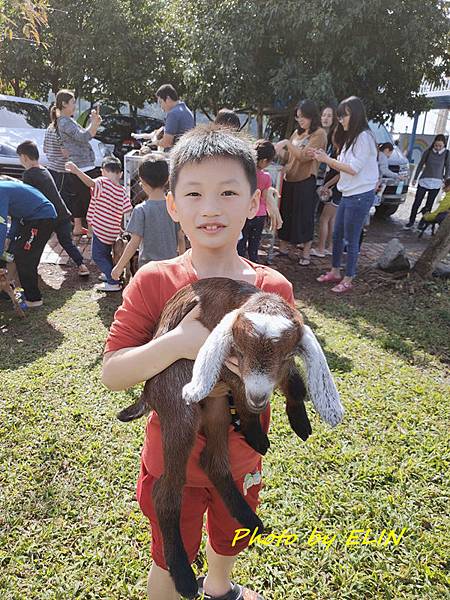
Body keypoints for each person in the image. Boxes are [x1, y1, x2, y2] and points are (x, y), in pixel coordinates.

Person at [102, 124, 295, 600]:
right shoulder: (154, 280)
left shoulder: (273, 289)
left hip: (242, 458)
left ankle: (220, 586)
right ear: (172, 206)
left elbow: (280, 369)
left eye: (229, 192)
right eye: (193, 193)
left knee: (231, 538)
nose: (211, 207)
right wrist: (179, 343)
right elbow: (112, 372)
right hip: (173, 468)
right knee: (170, 561)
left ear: (254, 202)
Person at [313, 96, 378, 293]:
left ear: (356, 114)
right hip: (348, 193)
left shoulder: (364, 137)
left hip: (360, 195)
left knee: (351, 238)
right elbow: (342, 168)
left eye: (344, 115)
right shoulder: (351, 138)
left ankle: (349, 278)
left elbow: (353, 169)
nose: (340, 119)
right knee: (337, 234)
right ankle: (335, 271)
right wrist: (327, 176)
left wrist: (327, 160)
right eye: (339, 116)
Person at [16, 140, 89, 277]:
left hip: (48, 216)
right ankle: (82, 265)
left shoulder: (29, 175)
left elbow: (29, 197)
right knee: (67, 242)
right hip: (62, 213)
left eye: (19, 157)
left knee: (37, 243)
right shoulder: (44, 170)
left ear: (24, 157)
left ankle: (31, 269)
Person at [65, 156, 132, 292]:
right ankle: (110, 274)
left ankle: (113, 281)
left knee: (98, 256)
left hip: (100, 229)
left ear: (103, 171)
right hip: (112, 230)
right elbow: (127, 209)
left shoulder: (102, 182)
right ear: (121, 174)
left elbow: (90, 183)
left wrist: (77, 171)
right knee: (106, 254)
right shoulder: (122, 190)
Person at [274, 99, 327, 265]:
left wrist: (287, 144)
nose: (300, 120)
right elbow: (290, 156)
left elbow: (304, 157)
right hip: (289, 178)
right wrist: (278, 150)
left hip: (305, 180)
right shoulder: (297, 133)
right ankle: (283, 248)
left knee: (303, 217)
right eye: (298, 117)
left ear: (312, 116)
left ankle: (305, 253)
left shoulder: (319, 134)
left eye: (303, 117)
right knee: (286, 214)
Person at [111, 153, 179, 279]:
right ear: (167, 179)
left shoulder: (140, 210)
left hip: (149, 270)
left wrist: (119, 267)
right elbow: (180, 237)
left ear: (141, 182)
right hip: (171, 267)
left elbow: (134, 243)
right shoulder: (174, 207)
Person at [0, 176, 56, 307]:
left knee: (24, 257)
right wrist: (9, 237)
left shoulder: (1, 191)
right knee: (12, 252)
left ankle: (33, 300)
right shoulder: (5, 188)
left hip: (42, 218)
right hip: (30, 219)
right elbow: (15, 216)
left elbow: (1, 224)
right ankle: (7, 291)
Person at [55, 89, 103, 235]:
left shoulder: (67, 121)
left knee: (79, 197)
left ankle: (78, 228)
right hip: (82, 166)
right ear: (64, 103)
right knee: (88, 198)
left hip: (79, 165)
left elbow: (86, 135)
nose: (75, 105)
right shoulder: (64, 122)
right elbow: (83, 137)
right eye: (73, 102)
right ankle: (90, 229)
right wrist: (94, 123)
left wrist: (94, 123)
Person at [237, 139, 275, 262]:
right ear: (264, 161)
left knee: (241, 242)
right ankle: (254, 263)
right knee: (254, 244)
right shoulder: (266, 177)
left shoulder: (245, 174)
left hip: (245, 213)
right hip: (260, 214)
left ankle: (240, 264)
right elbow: (264, 197)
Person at [404, 134, 450, 229]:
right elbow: (420, 165)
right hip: (424, 180)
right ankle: (411, 221)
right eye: (436, 145)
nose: (437, 147)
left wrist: (445, 181)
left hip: (437, 182)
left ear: (444, 145)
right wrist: (415, 178)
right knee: (417, 202)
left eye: (440, 146)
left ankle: (422, 221)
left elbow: (448, 168)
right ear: (434, 144)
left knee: (429, 204)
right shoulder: (428, 152)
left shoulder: (447, 154)